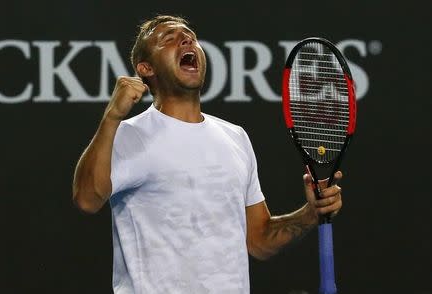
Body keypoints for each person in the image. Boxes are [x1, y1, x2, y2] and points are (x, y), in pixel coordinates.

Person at [72, 14, 343, 294]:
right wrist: (111, 117)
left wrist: (311, 213)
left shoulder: (235, 137)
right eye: (169, 39)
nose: (187, 40)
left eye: (190, 36)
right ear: (146, 68)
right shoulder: (128, 134)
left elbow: (259, 241)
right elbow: (87, 199)